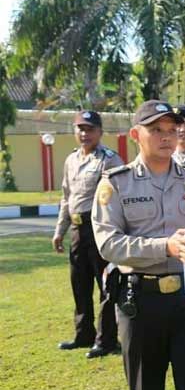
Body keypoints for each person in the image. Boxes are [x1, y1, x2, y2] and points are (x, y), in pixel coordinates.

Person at [91, 100, 185, 390]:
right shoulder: (116, 183)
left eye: (171, 130)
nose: (168, 137)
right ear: (136, 134)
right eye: (156, 130)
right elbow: (109, 245)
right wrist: (164, 246)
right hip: (141, 301)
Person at [53, 110, 123, 358]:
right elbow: (66, 196)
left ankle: (106, 340)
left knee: (106, 285)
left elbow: (119, 196)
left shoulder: (109, 159)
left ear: (100, 132)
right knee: (79, 284)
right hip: (77, 229)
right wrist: (59, 230)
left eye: (90, 129)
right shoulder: (71, 160)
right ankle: (83, 334)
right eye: (80, 129)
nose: (84, 134)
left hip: (100, 229)